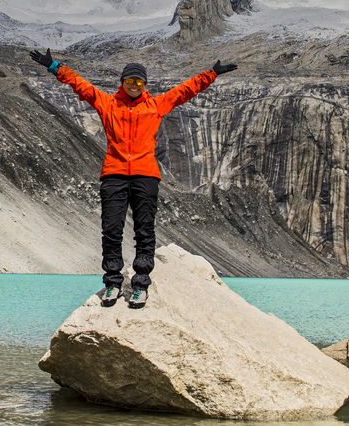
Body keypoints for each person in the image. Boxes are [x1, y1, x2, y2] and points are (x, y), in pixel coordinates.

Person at [29, 49, 237, 308]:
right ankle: (112, 283)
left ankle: (140, 284)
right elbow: (81, 86)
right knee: (112, 231)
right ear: (122, 83)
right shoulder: (108, 104)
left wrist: (212, 73)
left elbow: (185, 91)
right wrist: (54, 66)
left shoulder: (155, 105)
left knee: (144, 231)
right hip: (114, 175)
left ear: (145, 85)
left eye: (139, 82)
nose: (134, 86)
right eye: (130, 82)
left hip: (145, 176)